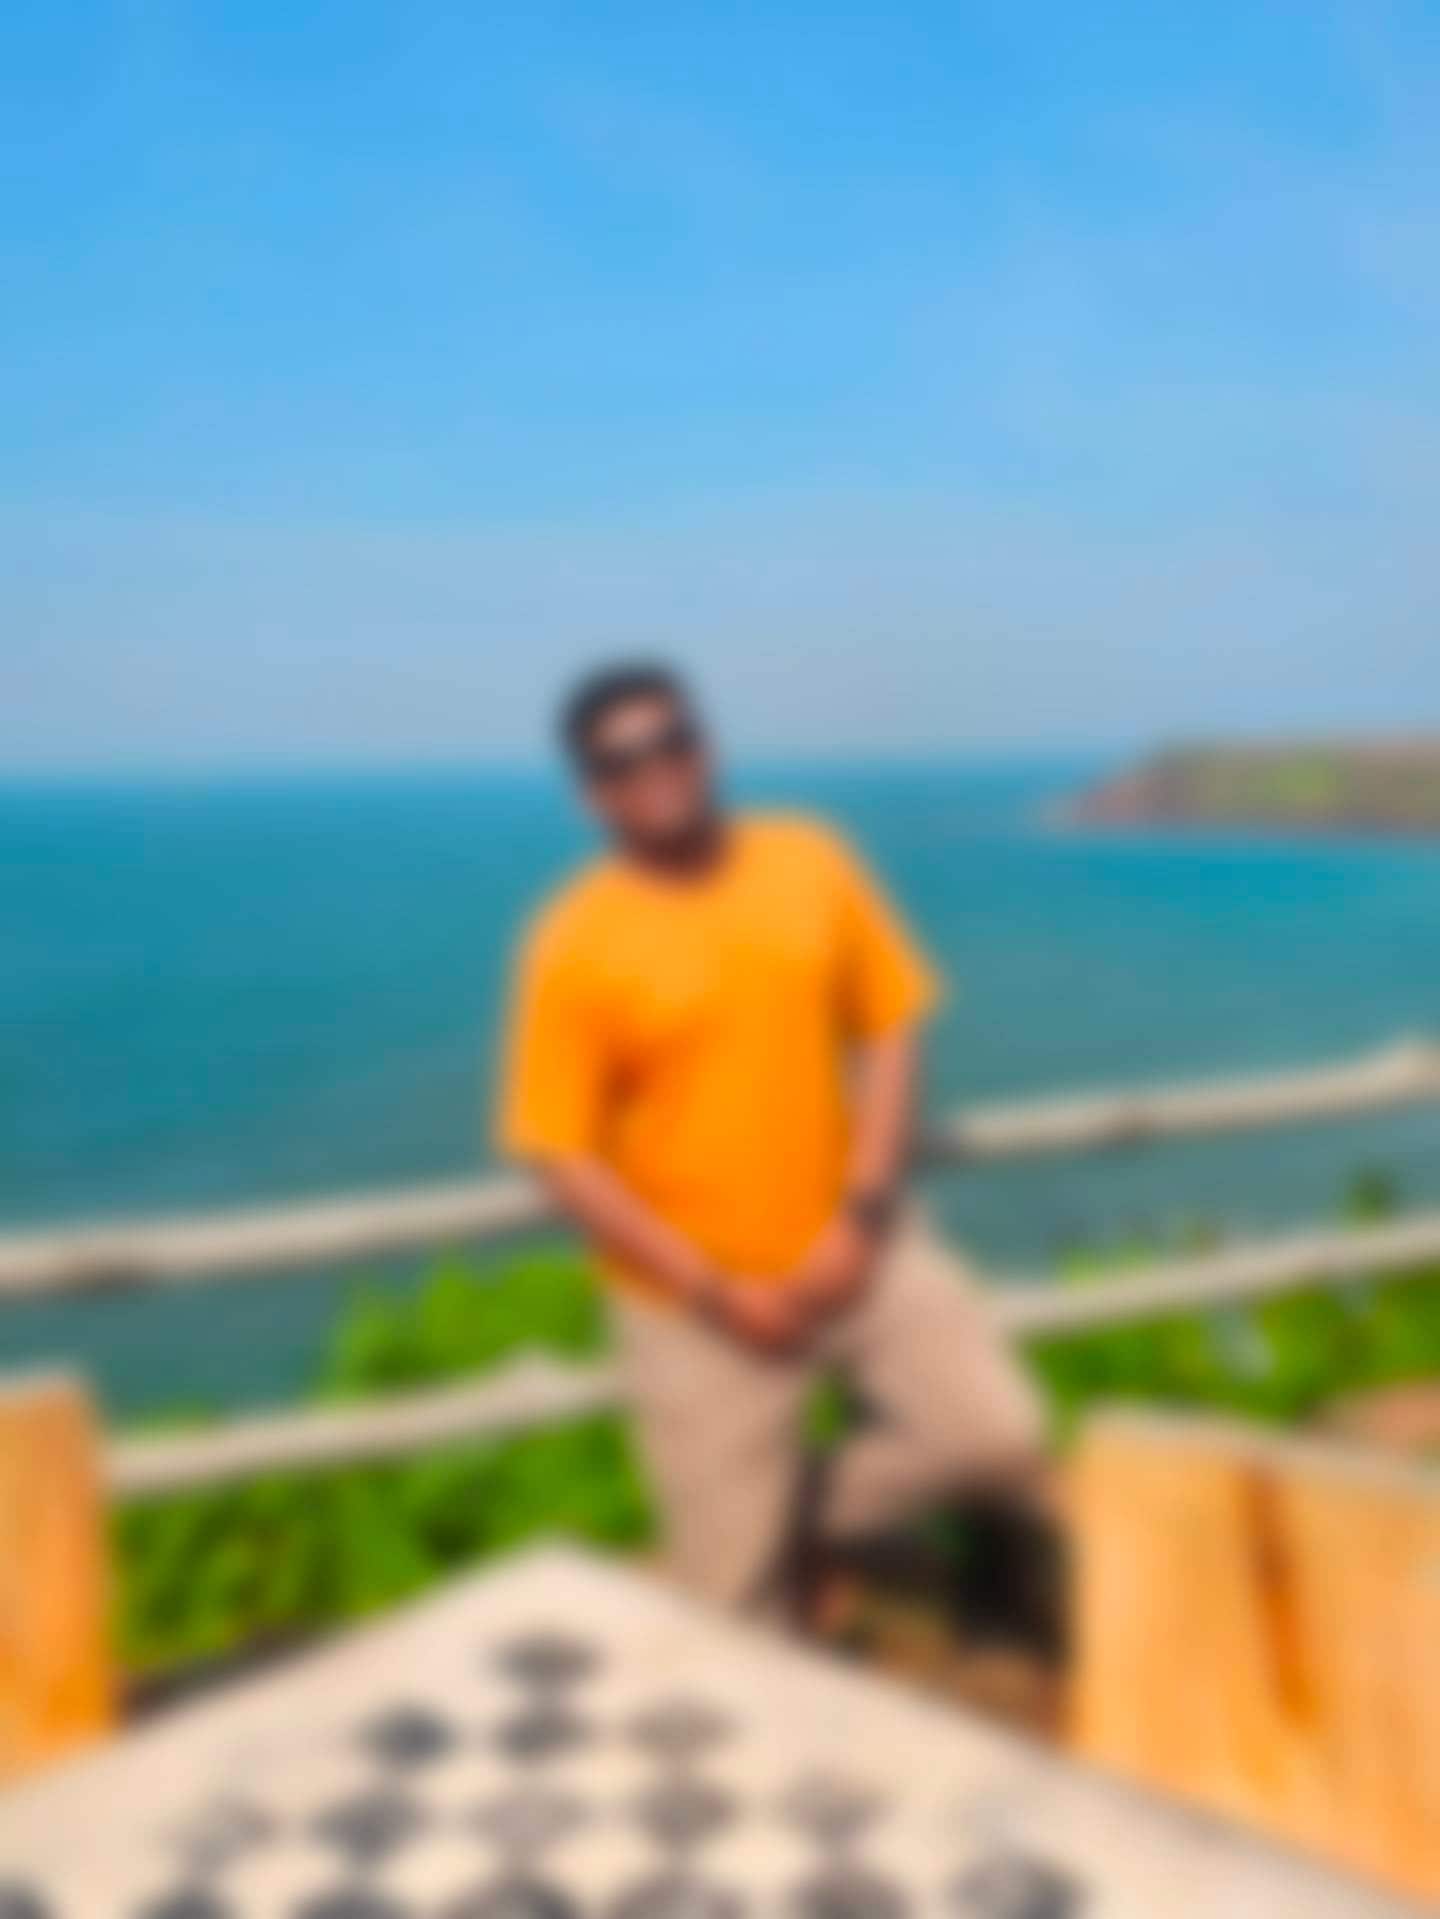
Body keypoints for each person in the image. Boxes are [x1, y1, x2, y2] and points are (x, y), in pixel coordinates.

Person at [497, 662, 1045, 1621]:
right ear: (593, 795)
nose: (654, 767)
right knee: (738, 1607)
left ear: (706, 747)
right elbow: (559, 1153)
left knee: (997, 1437)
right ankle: (756, 1541)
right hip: (693, 1304)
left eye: (670, 739)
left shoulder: (809, 858)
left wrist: (864, 1214)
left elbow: (891, 1023)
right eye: (621, 760)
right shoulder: (574, 938)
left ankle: (787, 1515)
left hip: (860, 1249)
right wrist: (712, 1291)